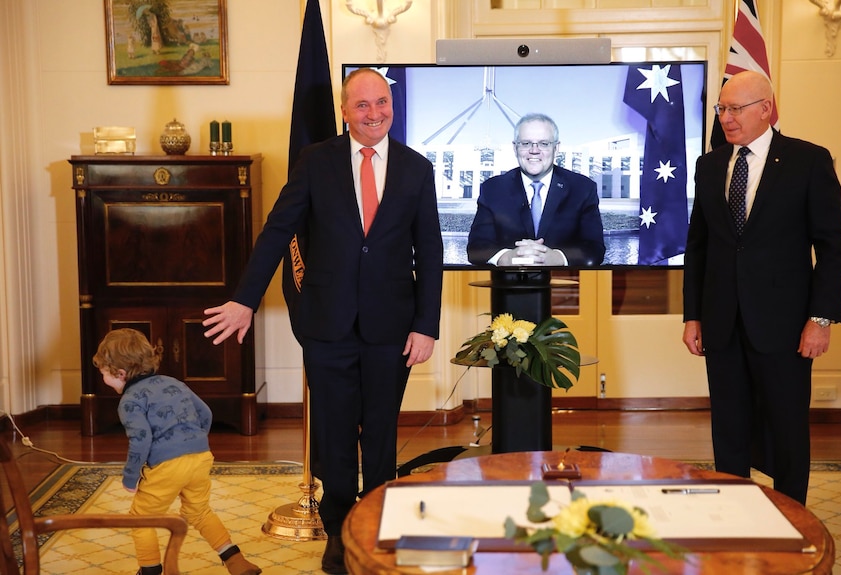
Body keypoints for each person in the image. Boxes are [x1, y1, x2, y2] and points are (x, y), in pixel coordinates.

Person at [201, 67, 443, 574]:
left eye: (381, 102)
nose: (374, 113)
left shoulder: (419, 169)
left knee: (379, 433)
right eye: (362, 105)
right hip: (326, 325)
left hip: (392, 328)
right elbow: (277, 232)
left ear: (391, 107)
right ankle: (338, 532)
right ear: (344, 110)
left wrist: (427, 325)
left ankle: (373, 526)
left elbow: (431, 251)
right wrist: (245, 299)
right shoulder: (316, 162)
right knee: (333, 436)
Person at [682, 70, 841, 505]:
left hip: (786, 326)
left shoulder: (808, 161)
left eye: (735, 109)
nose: (725, 118)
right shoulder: (710, 164)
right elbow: (697, 247)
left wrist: (821, 319)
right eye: (721, 109)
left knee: (787, 427)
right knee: (729, 427)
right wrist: (692, 315)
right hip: (721, 323)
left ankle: (793, 516)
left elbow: (832, 247)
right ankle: (733, 512)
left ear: (765, 109)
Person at [92, 328, 261, 575]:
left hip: (166, 466)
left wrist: (131, 478)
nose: (104, 379)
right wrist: (193, 441)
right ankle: (236, 561)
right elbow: (206, 414)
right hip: (201, 458)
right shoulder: (173, 383)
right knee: (200, 511)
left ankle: (150, 570)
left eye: (104, 373)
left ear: (120, 373)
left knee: (142, 519)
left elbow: (140, 440)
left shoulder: (130, 400)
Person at [466, 113, 606, 267]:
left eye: (544, 143)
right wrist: (506, 257)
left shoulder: (582, 189)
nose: (534, 150)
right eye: (526, 143)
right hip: (507, 287)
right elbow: (475, 248)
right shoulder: (493, 189)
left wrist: (557, 258)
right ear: (515, 147)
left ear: (556, 148)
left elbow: (595, 249)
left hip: (563, 286)